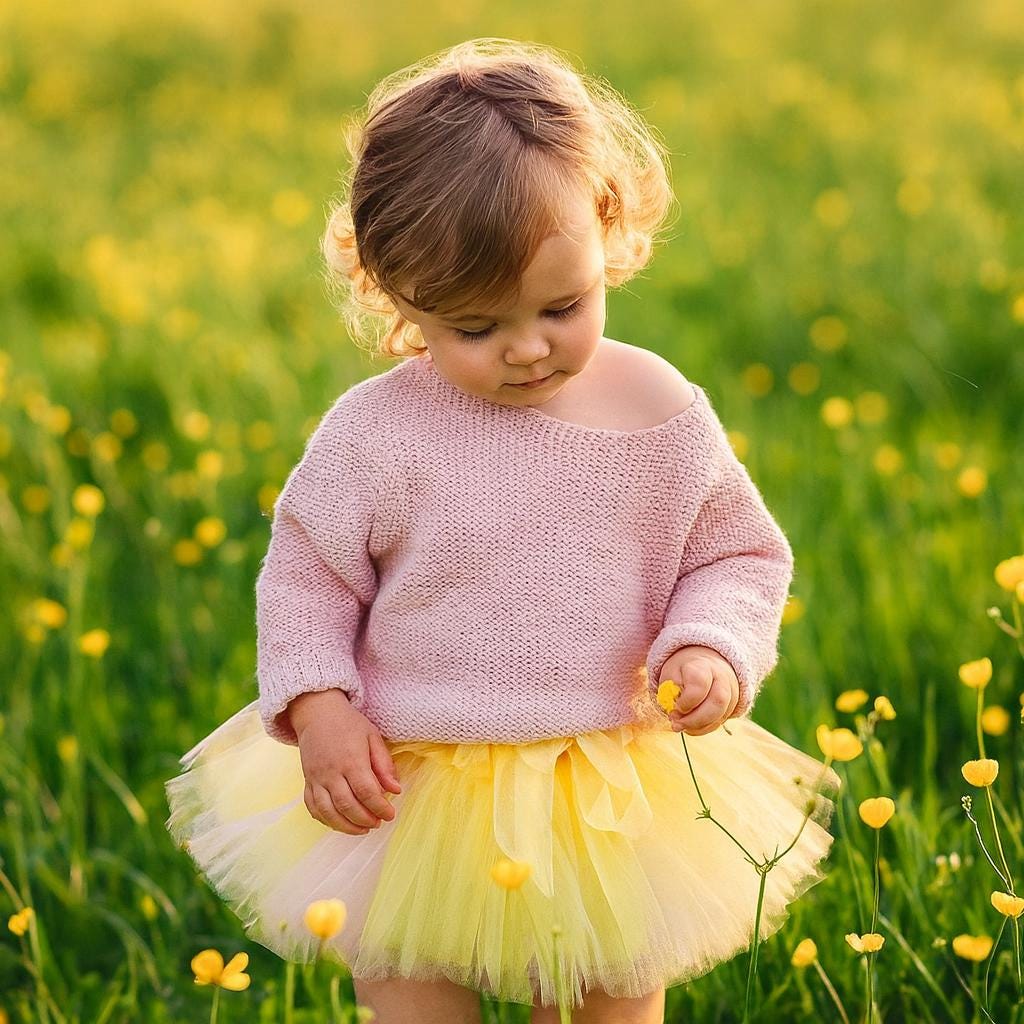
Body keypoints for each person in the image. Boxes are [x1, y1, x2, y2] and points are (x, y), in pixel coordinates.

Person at [164, 37, 841, 1024]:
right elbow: (306, 575)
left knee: (607, 992)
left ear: (606, 231)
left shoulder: (653, 407)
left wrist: (713, 644)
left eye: (561, 307)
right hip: (415, 780)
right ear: (397, 296)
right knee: (412, 985)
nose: (527, 348)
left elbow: (734, 551)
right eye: (474, 328)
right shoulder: (377, 434)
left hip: (605, 774)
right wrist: (319, 706)